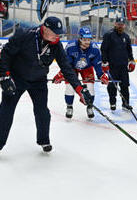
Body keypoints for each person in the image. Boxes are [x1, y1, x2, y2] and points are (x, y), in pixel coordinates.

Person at [0, 16, 93, 152]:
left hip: (38, 80)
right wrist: (4, 77)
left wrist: (80, 89)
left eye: (59, 33)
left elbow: (67, 68)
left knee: (42, 111)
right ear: (45, 29)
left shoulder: (56, 45)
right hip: (17, 78)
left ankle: (44, 140)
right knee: (6, 110)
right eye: (55, 32)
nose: (58, 36)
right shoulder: (24, 35)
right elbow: (5, 54)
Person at [52, 27, 109, 119]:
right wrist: (62, 73)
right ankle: (69, 106)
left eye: (89, 39)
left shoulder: (94, 49)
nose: (87, 42)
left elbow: (97, 65)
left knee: (90, 88)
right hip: (72, 68)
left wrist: (101, 75)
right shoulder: (71, 47)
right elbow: (66, 64)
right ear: (79, 38)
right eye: (85, 39)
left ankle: (89, 106)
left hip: (87, 68)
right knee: (70, 87)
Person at [101, 16, 135, 111]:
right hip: (112, 66)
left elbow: (129, 51)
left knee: (125, 86)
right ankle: (112, 103)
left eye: (122, 24)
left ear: (124, 25)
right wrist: (104, 62)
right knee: (112, 86)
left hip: (123, 67)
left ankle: (125, 103)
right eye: (118, 24)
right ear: (115, 24)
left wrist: (132, 61)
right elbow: (104, 50)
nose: (120, 26)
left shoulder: (126, 37)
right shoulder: (109, 35)